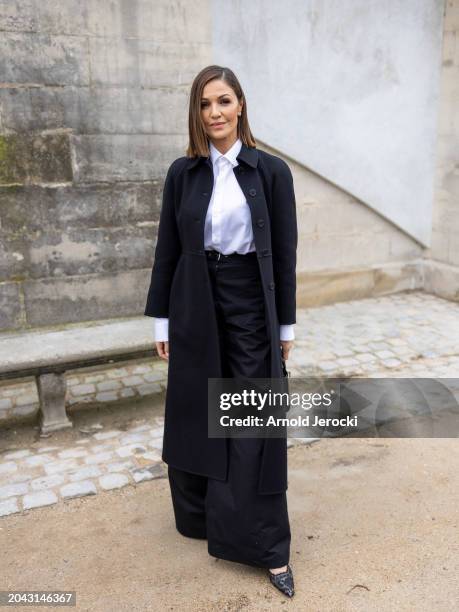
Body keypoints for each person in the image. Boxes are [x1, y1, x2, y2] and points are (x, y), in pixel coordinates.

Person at [144, 65, 298, 598]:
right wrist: (162, 318)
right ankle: (203, 518)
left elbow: (284, 257)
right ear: (197, 112)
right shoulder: (181, 174)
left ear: (240, 107)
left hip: (250, 301)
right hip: (193, 301)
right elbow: (167, 248)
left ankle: (266, 545)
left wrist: (286, 327)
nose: (215, 113)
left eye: (224, 101)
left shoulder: (271, 173)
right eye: (206, 104)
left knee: (252, 415)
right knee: (197, 411)